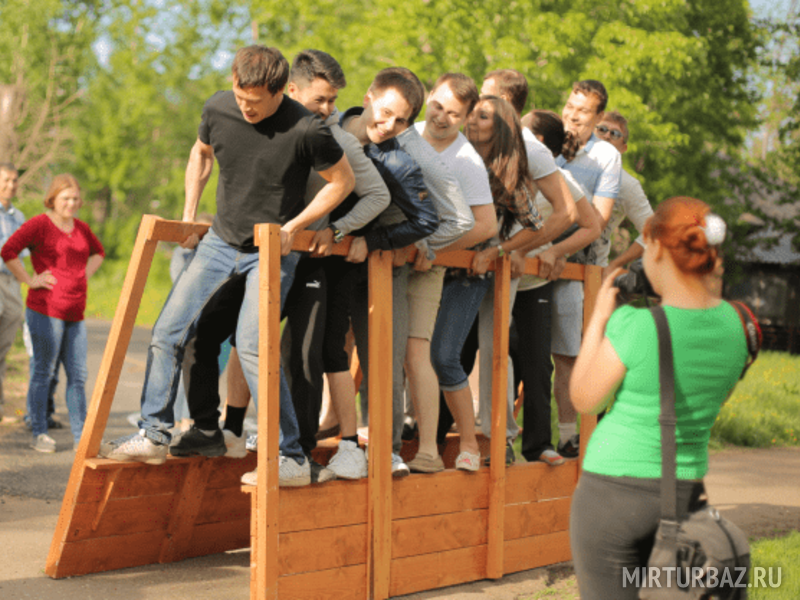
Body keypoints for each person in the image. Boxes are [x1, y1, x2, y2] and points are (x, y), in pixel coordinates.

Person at [100, 45, 355, 489]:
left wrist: (294, 226)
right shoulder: (218, 107)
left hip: (270, 251)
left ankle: (291, 455)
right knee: (167, 331)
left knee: (254, 348)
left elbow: (343, 181)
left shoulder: (306, 127)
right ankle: (154, 434)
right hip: (220, 241)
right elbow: (201, 154)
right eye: (240, 97)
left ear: (279, 92)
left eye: (254, 102)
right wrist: (188, 214)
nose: (245, 108)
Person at [569, 197, 747, 600]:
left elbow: (584, 398)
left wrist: (599, 318)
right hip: (685, 494)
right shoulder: (734, 325)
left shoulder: (635, 324)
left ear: (659, 249)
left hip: (610, 495)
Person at [326, 67, 440, 479]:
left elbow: (427, 219)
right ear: (368, 97)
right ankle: (295, 442)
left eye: (401, 120)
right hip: (321, 262)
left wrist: (375, 240)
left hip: (375, 267)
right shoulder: (325, 130)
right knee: (301, 348)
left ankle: (386, 450)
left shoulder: (398, 161)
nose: (389, 125)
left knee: (383, 361)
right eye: (386, 112)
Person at [429, 95, 543, 471]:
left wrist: (499, 250)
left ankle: (477, 443)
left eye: (483, 116)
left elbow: (536, 225)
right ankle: (424, 440)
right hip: (427, 267)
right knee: (422, 355)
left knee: (449, 355)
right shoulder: (451, 153)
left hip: (468, 275)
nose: (472, 121)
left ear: (501, 128)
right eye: (472, 115)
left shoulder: (505, 173)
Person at [474, 70, 579, 463]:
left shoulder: (531, 149)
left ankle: (506, 439)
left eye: (485, 96)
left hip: (510, 267)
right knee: (456, 349)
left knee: (503, 349)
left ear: (503, 101)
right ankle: (437, 430)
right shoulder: (469, 139)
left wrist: (520, 250)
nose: (477, 103)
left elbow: (570, 213)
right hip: (466, 259)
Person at [404, 72, 495, 473]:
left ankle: (468, 443)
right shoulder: (406, 132)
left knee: (442, 355)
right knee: (398, 348)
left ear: (468, 117)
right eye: (437, 106)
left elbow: (486, 225)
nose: (441, 117)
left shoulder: (466, 161)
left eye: (453, 114)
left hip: (460, 270)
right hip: (405, 258)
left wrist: (435, 248)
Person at [512, 109, 600, 465]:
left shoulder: (560, 178)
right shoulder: (501, 168)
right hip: (495, 279)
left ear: (537, 142)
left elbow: (591, 225)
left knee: (537, 365)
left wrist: (555, 251)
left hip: (534, 282)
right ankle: (492, 441)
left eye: (519, 129)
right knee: (495, 356)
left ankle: (539, 445)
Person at [1, 174, 105, 452]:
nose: (71, 203)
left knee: (78, 376)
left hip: (75, 313)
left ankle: (81, 438)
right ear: (53, 198)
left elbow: (98, 252)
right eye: (65, 198)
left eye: (75, 198)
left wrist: (83, 276)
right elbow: (8, 250)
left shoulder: (81, 228)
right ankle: (39, 432)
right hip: (45, 310)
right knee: (44, 372)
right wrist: (29, 279)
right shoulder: (39, 224)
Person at [550, 79, 621, 459]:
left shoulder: (606, 156)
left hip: (576, 268)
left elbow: (601, 218)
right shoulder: (547, 142)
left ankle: (569, 436)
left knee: (567, 355)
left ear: (598, 117)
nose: (573, 116)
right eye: (570, 106)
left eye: (583, 111)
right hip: (531, 256)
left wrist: (559, 246)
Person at [592, 110, 655, 279]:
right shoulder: (567, 164)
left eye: (615, 134)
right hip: (544, 261)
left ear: (623, 148)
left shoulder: (627, 185)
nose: (607, 136)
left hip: (590, 273)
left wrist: (615, 264)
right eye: (602, 129)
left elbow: (653, 232)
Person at [0, 163, 26, 424]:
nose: (11, 185)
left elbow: (23, 252)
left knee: (3, 347)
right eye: (6, 179)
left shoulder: (18, 216)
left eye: (14, 180)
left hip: (12, 283)